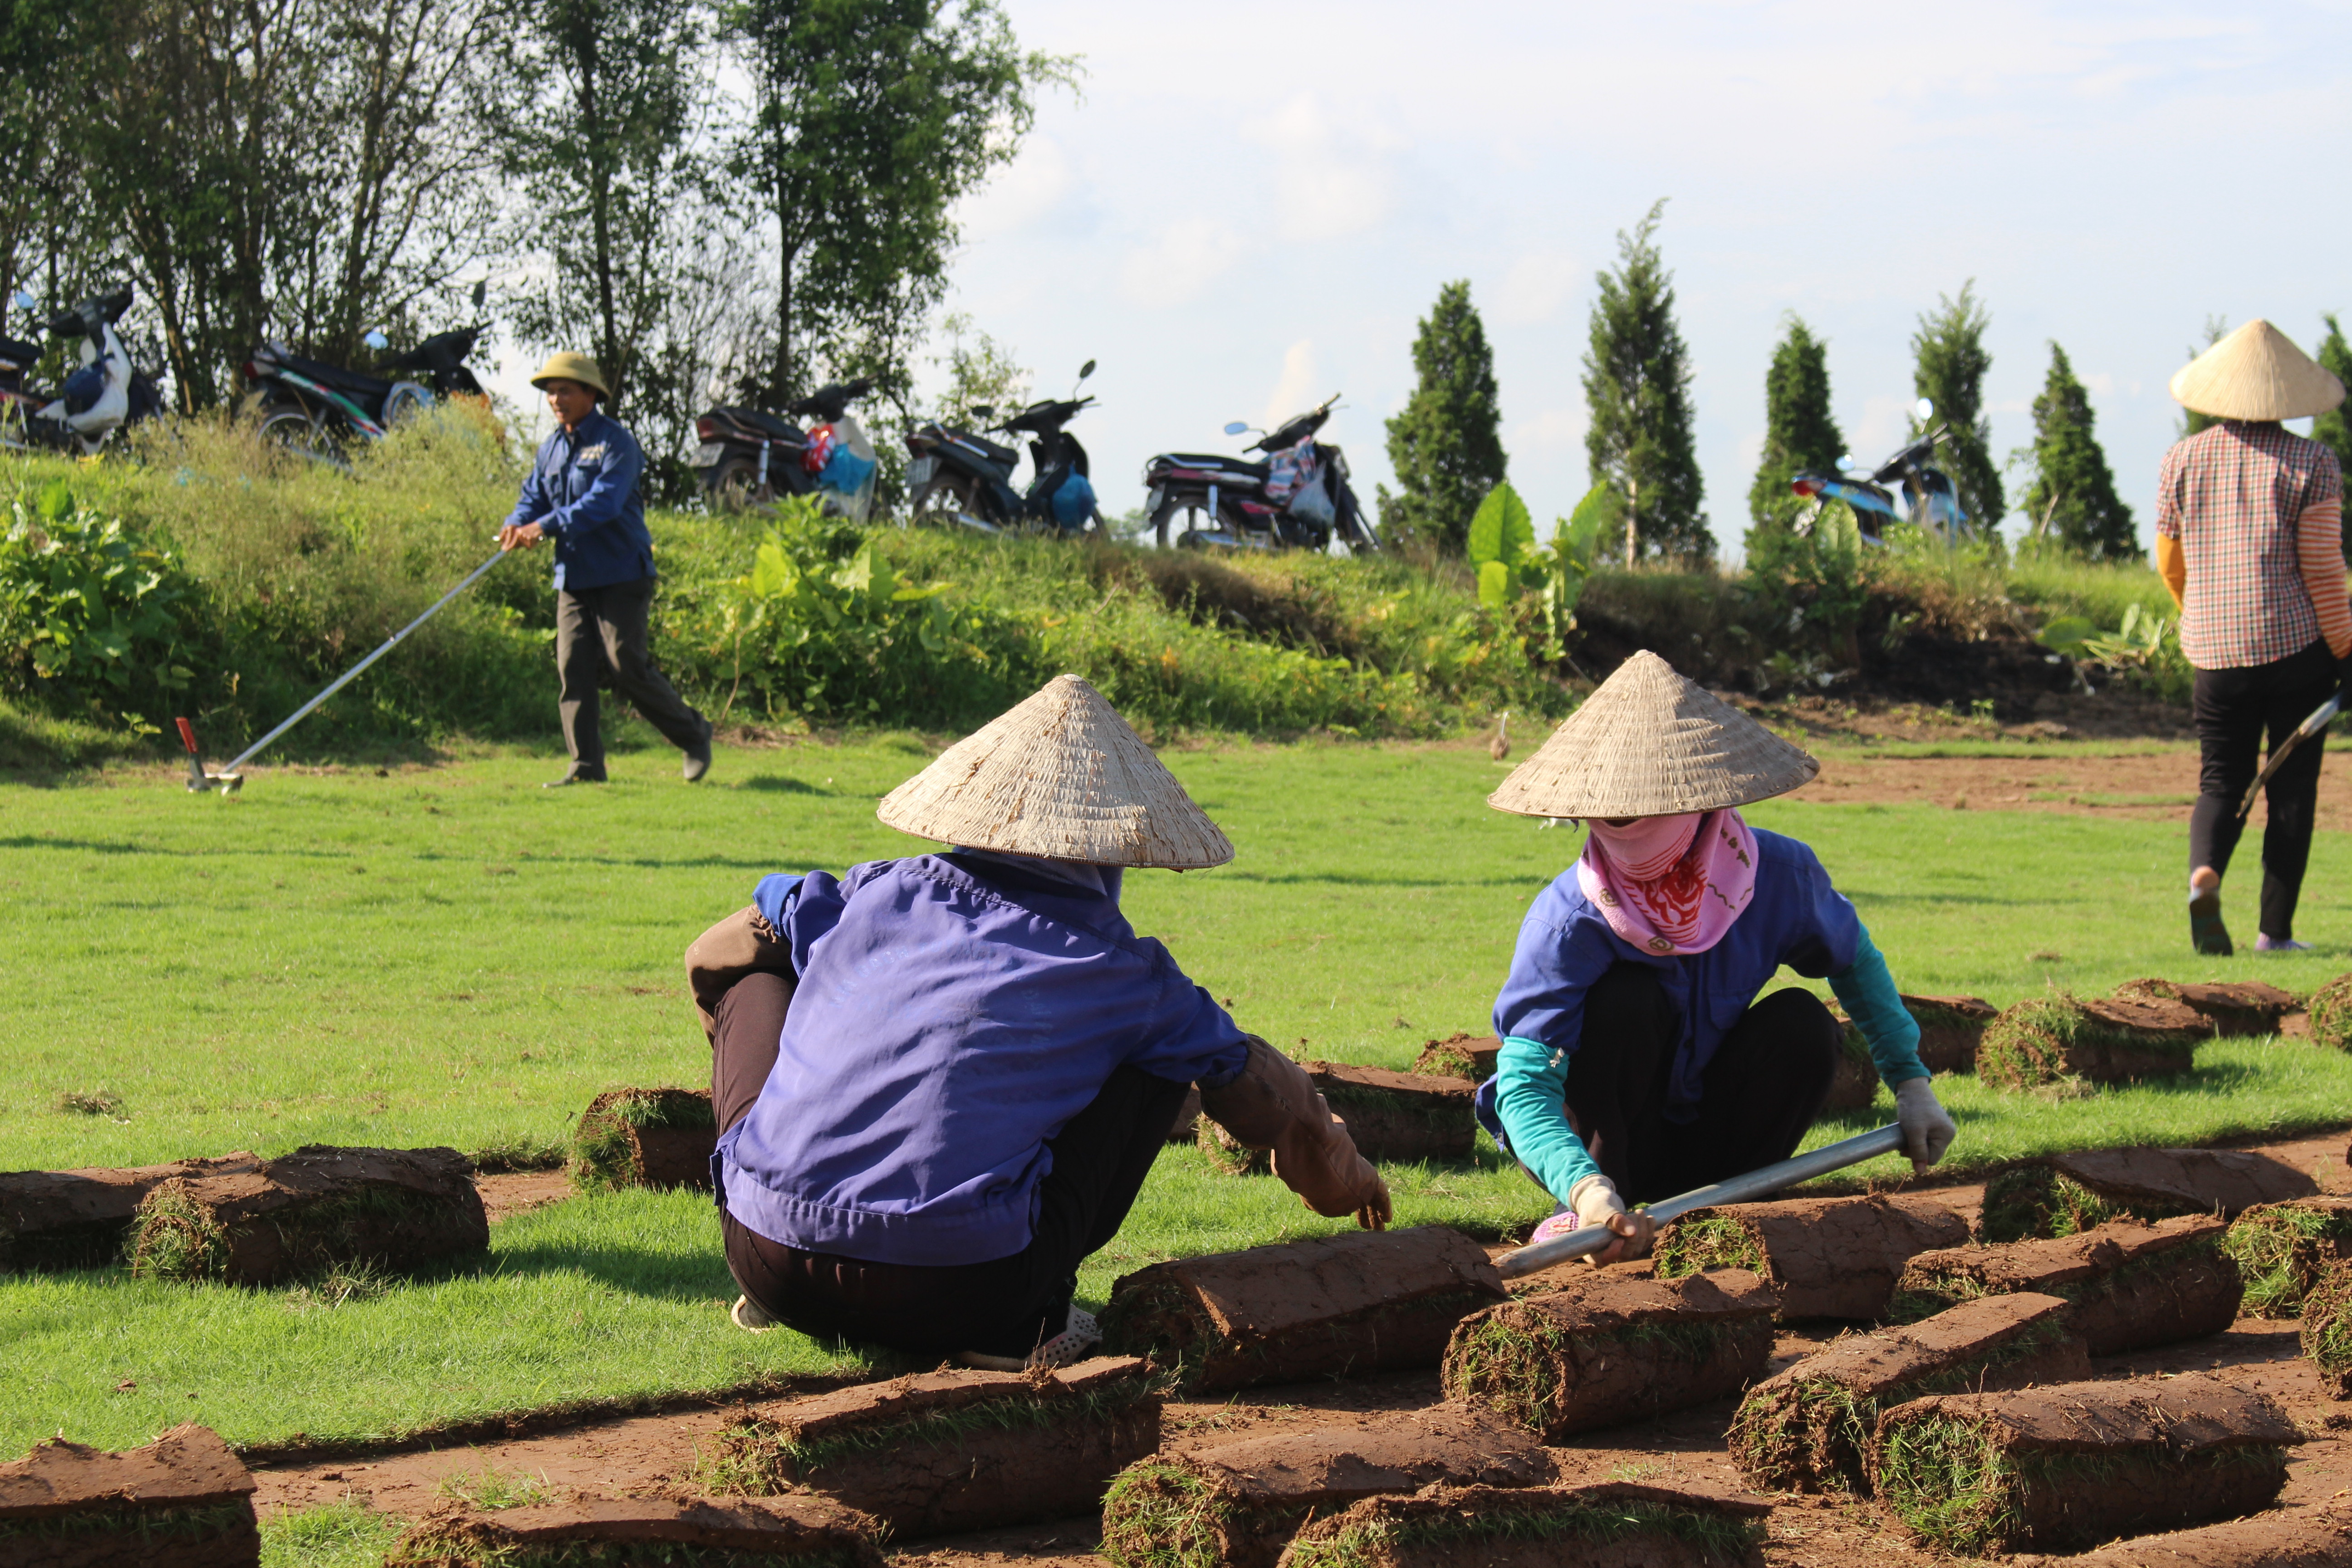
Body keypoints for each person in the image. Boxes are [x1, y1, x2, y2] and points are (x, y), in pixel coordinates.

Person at [682, 673, 1391, 1368]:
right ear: (1112, 849)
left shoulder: (875, 889)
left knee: (750, 966)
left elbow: (718, 950)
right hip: (965, 1290)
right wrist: (1345, 1178)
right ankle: (1033, 1321)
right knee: (1161, 1056)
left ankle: (789, 1255)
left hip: (764, 1254)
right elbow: (1263, 1089)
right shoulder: (1130, 976)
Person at [1474, 652, 1957, 1264]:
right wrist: (1585, 1186)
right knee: (1626, 999)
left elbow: (1855, 960)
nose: (1627, 837)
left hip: (1716, 1131)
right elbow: (1523, 1084)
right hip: (1608, 1150)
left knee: (1803, 1023)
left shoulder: (1781, 877)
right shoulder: (1568, 919)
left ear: (1700, 802)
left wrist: (1911, 1083)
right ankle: (1602, 1216)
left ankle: (1728, 1214)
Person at [2156, 319, 2350, 956]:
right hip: (2297, 652)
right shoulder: (2314, 463)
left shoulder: (2181, 460)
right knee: (2290, 791)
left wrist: (2201, 614)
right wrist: (2347, 650)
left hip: (2215, 654)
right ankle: (2276, 933)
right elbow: (2323, 570)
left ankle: (2204, 874)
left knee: (2221, 780)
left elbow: (2170, 561)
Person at [500, 352, 713, 787]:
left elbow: (604, 502)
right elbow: (534, 498)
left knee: (625, 664)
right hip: (574, 577)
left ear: (591, 394)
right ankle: (586, 768)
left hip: (622, 572)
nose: (556, 399)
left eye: (565, 390)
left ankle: (694, 734)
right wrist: (517, 523)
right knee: (572, 666)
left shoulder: (617, 443)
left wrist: (545, 525)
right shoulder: (551, 448)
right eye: (551, 392)